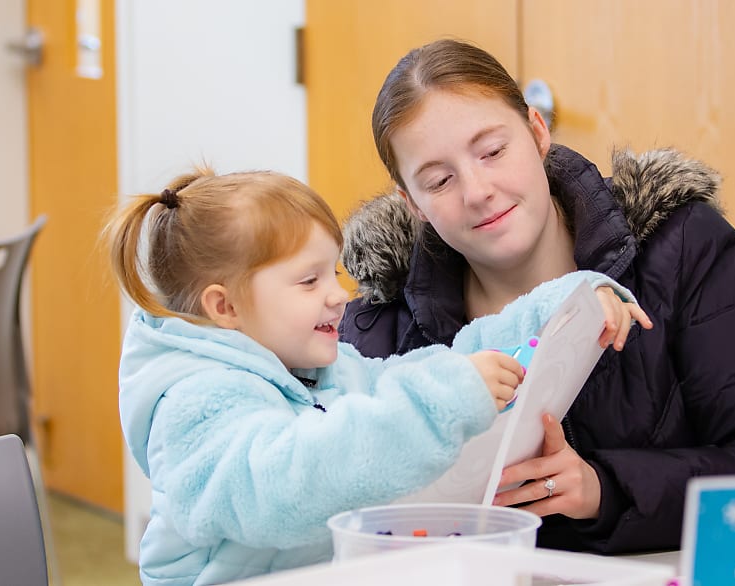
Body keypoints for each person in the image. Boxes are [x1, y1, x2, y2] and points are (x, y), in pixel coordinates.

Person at [339, 39, 735, 553]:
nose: (477, 190)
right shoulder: (379, 329)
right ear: (412, 204)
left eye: (492, 152)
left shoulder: (682, 248)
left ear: (536, 133)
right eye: (439, 180)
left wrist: (604, 489)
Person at [105, 167, 647, 585]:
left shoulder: (322, 371)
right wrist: (440, 401)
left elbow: (427, 370)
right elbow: (287, 483)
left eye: (334, 272)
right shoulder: (193, 406)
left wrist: (565, 303)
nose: (337, 294)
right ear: (225, 308)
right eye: (308, 280)